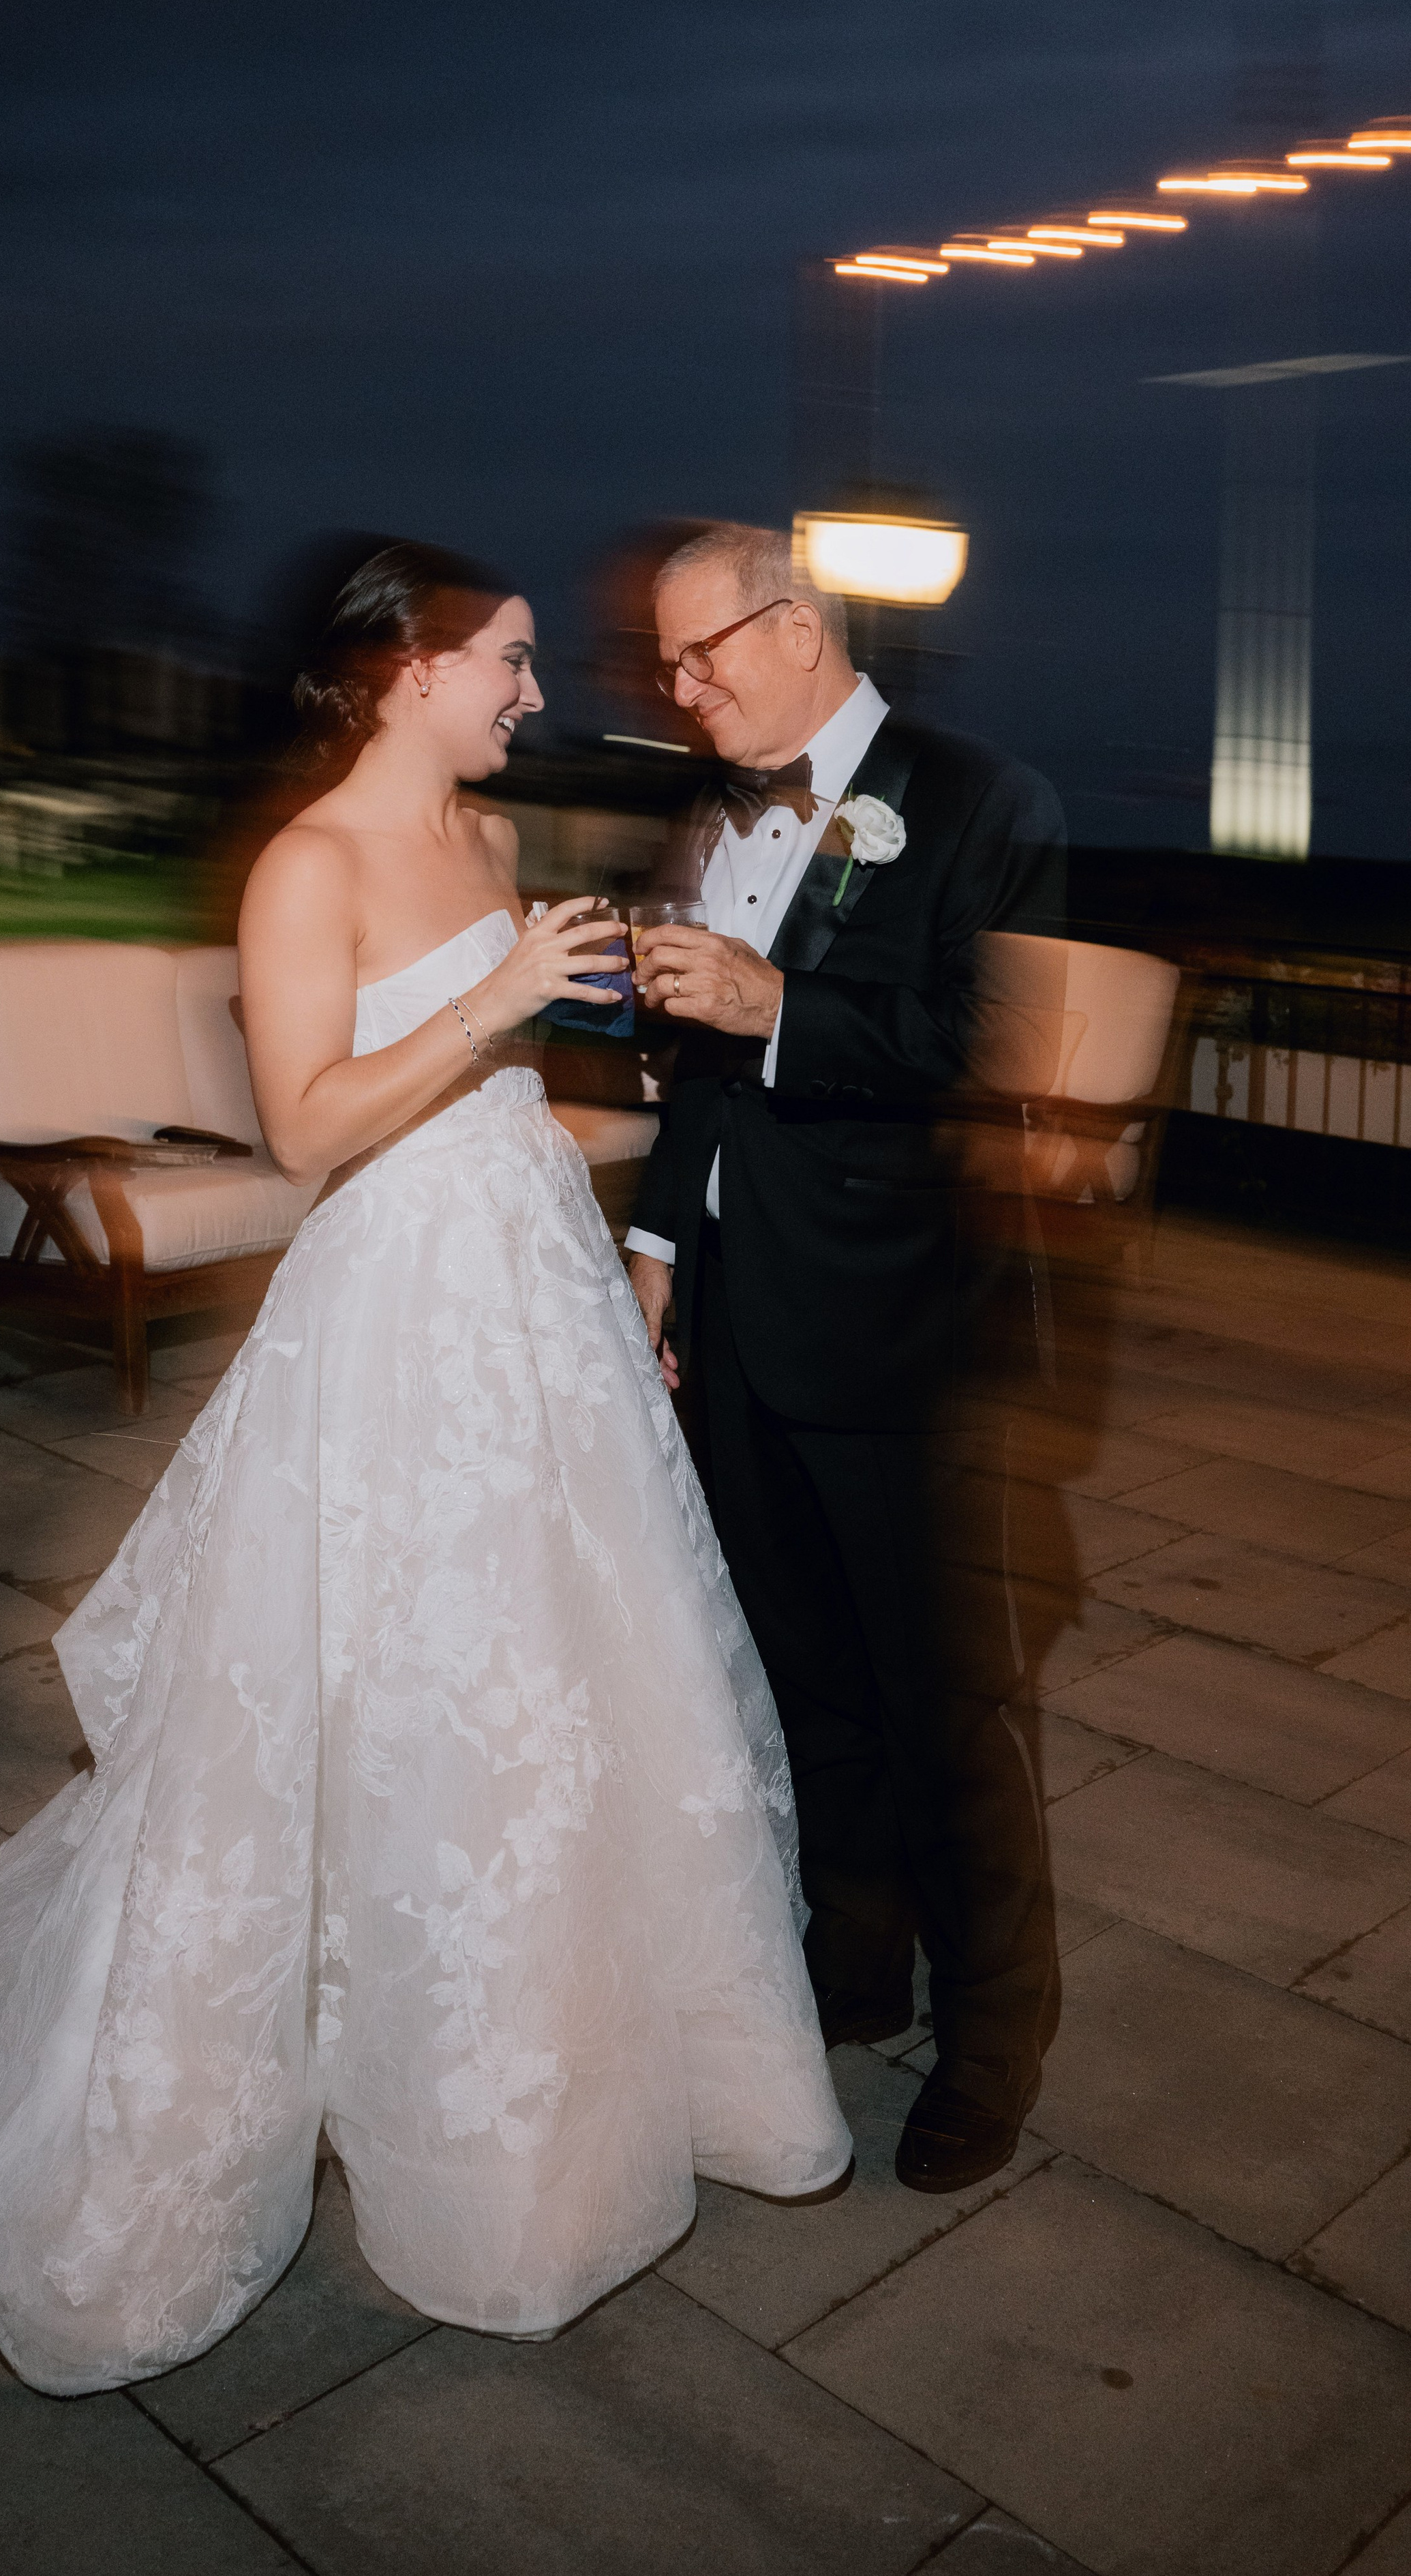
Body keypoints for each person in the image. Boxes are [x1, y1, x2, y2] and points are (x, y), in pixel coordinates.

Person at [0, 540, 850, 2397]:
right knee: (372, 1679)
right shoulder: (308, 866)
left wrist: (602, 1015)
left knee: (569, 1676)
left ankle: (574, 2063)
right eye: (512, 660)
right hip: (395, 1303)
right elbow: (305, 1128)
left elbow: (513, 1056)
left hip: (532, 1270)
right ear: (404, 670)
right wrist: (495, 998)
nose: (535, 691)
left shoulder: (495, 844)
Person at [623, 521, 1064, 2196]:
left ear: (792, 626)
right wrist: (661, 1251)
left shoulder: (979, 798)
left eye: (701, 655)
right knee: (802, 1677)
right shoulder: (706, 814)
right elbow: (693, 1067)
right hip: (738, 1312)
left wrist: (779, 1009)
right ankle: (853, 1963)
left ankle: (995, 2033)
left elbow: (991, 1048)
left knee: (941, 1701)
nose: (681, 690)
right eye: (665, 666)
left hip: (902, 1334)